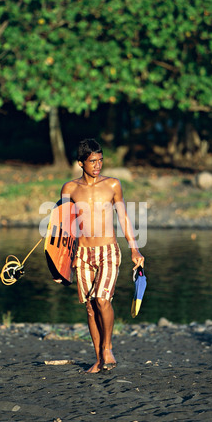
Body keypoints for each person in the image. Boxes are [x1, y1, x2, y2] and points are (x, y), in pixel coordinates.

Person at [60, 139, 144, 373]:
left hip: (108, 250)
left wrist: (134, 248)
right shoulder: (69, 189)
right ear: (81, 163)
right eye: (93, 161)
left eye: (101, 160)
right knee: (89, 306)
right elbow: (65, 228)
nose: (98, 165)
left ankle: (107, 347)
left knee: (102, 300)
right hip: (82, 253)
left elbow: (123, 217)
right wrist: (61, 265)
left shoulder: (113, 185)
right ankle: (98, 358)